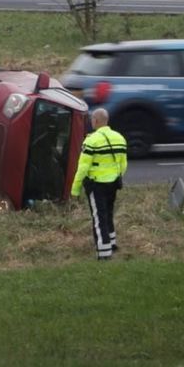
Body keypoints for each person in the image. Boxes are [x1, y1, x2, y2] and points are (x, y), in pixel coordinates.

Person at [70, 108, 128, 260]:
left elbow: (82, 168)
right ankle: (112, 243)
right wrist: (117, 176)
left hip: (96, 185)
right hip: (113, 183)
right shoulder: (120, 138)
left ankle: (104, 253)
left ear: (95, 121)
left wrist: (75, 189)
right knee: (108, 214)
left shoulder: (91, 141)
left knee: (98, 217)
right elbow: (123, 164)